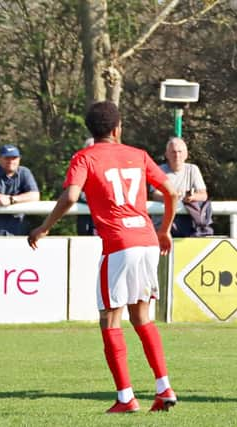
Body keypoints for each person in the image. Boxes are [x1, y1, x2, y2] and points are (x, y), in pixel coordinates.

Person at [27, 101, 179, 414]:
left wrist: (44, 227)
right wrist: (164, 230)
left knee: (110, 319)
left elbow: (70, 196)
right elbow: (171, 191)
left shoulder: (84, 157)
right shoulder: (137, 155)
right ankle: (163, 388)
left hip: (119, 243)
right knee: (142, 317)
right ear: (116, 128)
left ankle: (126, 398)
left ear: (93, 131)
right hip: (148, 240)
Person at [151, 137, 212, 237]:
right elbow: (155, 195)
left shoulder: (193, 169)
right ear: (167, 154)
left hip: (188, 226)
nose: (177, 155)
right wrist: (172, 196)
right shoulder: (159, 170)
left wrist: (191, 198)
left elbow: (203, 195)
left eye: (180, 151)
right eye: (173, 152)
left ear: (186, 154)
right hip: (162, 226)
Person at [0, 144, 40, 235]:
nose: (11, 161)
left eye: (14, 158)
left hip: (18, 230)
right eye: (7, 158)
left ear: (19, 159)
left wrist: (11, 199)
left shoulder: (24, 172)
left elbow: (35, 195)